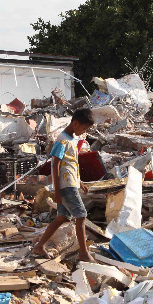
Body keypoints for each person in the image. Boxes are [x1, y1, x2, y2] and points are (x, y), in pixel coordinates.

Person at [33, 108, 94, 261]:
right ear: (75, 123)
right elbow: (56, 163)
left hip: (71, 183)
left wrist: (79, 182)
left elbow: (71, 164)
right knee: (81, 216)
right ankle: (83, 253)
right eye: (84, 128)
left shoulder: (72, 140)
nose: (84, 131)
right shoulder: (62, 139)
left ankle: (40, 246)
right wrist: (57, 190)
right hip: (65, 186)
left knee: (63, 217)